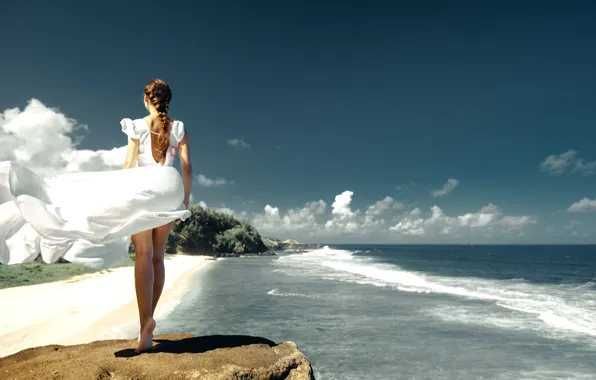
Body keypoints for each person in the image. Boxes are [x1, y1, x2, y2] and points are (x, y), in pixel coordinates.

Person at [0, 79, 192, 353]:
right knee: (159, 257)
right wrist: (184, 200)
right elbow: (187, 169)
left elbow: (128, 166)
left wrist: (117, 198)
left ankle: (145, 323)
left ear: (147, 100)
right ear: (167, 101)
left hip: (146, 186)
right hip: (170, 187)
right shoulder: (179, 127)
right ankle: (150, 318)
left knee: (143, 255)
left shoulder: (137, 126)